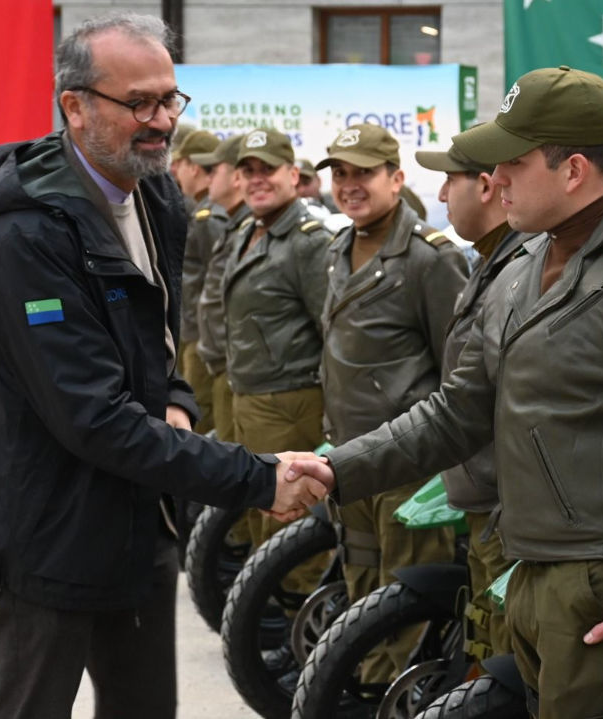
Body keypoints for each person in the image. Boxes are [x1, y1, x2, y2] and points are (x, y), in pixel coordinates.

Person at [290, 67, 603, 718]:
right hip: (529, 572)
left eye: (513, 162)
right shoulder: (523, 267)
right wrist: (337, 468)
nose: (494, 178)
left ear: (574, 170)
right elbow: (457, 412)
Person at [0, 14, 326, 719]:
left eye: (170, 99)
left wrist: (176, 394)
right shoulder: (23, 236)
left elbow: (158, 343)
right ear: (75, 105)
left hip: (140, 519)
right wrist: (256, 478)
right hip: (44, 536)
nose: (160, 121)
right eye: (138, 103)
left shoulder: (156, 198)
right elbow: (91, 413)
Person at [312, 122, 469, 679]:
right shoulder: (338, 248)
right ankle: (361, 690)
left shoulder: (430, 257)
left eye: (364, 174)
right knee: (361, 586)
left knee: (405, 603)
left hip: (407, 463)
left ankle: (393, 697)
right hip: (351, 456)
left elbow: (458, 370)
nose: (350, 185)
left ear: (397, 178)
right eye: (341, 174)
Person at [413, 140, 535, 658]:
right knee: (487, 645)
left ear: (484, 186)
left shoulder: (518, 268)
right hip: (482, 495)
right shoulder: (489, 262)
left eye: (449, 181)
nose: (440, 194)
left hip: (504, 503)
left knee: (504, 659)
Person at [222, 127, 334, 595]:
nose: (256, 180)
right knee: (262, 523)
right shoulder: (251, 228)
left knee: (289, 529)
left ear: (293, 174)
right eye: (247, 171)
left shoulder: (307, 240)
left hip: (291, 402)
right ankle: (273, 623)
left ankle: (301, 650)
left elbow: (331, 328)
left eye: (266, 169)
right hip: (252, 399)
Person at [189, 132, 251, 443]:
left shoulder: (243, 227)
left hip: (234, 366)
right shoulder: (233, 225)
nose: (207, 178)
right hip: (218, 360)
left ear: (237, 176)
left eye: (215, 170)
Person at [173, 129, 224, 435]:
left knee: (202, 419)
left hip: (202, 338)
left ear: (192, 166)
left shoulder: (209, 217)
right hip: (196, 332)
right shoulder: (204, 212)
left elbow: (214, 285)